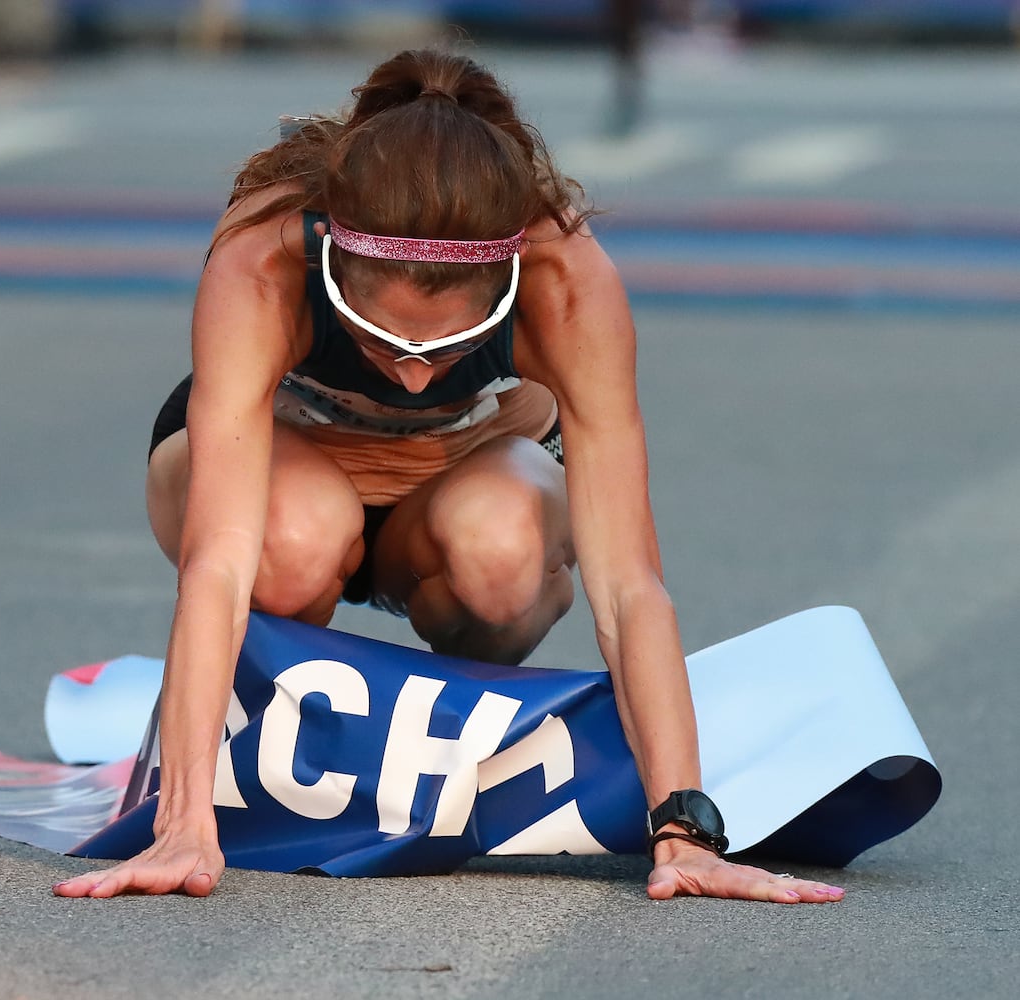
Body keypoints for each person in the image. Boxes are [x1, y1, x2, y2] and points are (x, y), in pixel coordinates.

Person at [54, 49, 844, 904]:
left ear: (504, 280)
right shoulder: (265, 257)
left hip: (464, 477)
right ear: (333, 267)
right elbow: (218, 561)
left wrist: (684, 830)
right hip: (289, 473)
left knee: (503, 551)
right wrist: (182, 826)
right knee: (287, 539)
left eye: (453, 349)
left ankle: (431, 735)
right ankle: (262, 745)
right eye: (380, 342)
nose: (416, 379)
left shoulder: (568, 280)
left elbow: (628, 587)